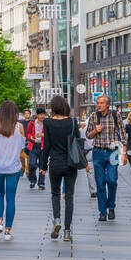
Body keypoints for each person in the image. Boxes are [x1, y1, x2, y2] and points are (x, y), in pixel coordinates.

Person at [39, 95, 79, 241]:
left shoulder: (48, 122)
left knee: (55, 194)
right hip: (70, 163)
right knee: (69, 197)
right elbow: (78, 141)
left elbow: (47, 145)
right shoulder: (72, 122)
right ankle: (67, 231)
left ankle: (57, 220)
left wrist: (43, 166)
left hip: (55, 163)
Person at [0, 101, 27, 241]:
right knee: (11, 198)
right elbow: (22, 148)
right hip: (13, 167)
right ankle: (8, 231)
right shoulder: (19, 127)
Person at [85, 94, 125, 221]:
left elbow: (123, 135)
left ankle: (111, 206)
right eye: (97, 103)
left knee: (112, 180)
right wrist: (95, 130)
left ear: (107, 104)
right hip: (98, 152)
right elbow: (88, 136)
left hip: (113, 151)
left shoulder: (115, 115)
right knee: (100, 183)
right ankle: (102, 211)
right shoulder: (93, 116)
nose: (99, 105)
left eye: (101, 103)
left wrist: (124, 153)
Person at [26, 109, 47, 189]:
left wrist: (43, 135)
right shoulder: (31, 123)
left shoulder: (47, 123)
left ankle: (41, 183)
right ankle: (32, 180)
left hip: (43, 146)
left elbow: (51, 133)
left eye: (43, 114)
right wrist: (30, 137)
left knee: (42, 165)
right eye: (41, 114)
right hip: (33, 146)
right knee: (32, 164)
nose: (42, 116)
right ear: (37, 115)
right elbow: (28, 133)